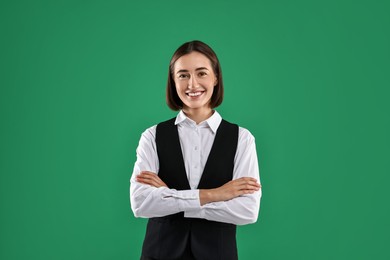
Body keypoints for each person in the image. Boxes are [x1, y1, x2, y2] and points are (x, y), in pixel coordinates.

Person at [130, 40, 262, 260]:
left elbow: (247, 209)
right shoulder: (152, 136)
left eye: (201, 73)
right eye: (183, 75)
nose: (192, 84)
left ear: (216, 78)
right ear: (173, 81)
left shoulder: (242, 138)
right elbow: (141, 203)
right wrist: (214, 195)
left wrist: (173, 199)